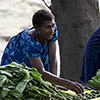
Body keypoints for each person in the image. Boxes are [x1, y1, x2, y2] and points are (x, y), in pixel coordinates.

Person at [1, 9, 83, 94]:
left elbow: (52, 58)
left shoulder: (52, 32)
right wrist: (68, 84)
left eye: (53, 26)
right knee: (24, 86)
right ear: (36, 27)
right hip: (17, 61)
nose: (52, 29)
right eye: (48, 27)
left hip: (36, 60)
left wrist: (54, 83)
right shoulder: (29, 42)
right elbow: (40, 72)